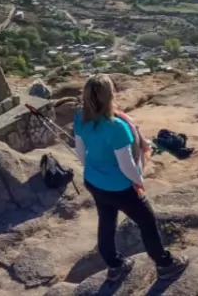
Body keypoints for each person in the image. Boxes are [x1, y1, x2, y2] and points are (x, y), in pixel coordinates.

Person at [73, 74, 187, 284]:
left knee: (106, 222)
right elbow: (126, 165)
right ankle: (165, 264)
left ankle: (115, 266)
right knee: (147, 222)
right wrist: (138, 183)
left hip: (94, 181)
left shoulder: (81, 117)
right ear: (109, 95)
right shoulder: (117, 127)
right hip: (120, 188)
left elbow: (80, 154)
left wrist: (97, 169)